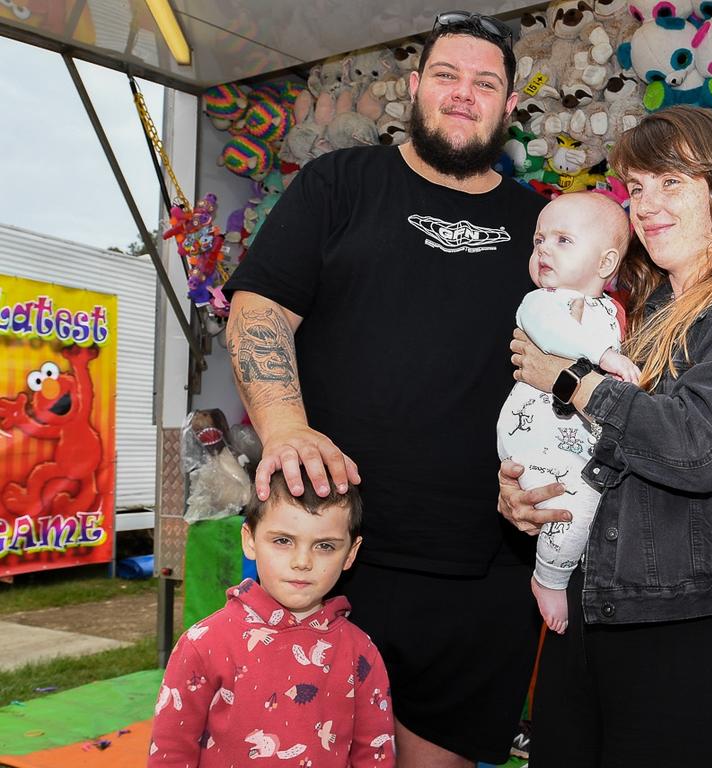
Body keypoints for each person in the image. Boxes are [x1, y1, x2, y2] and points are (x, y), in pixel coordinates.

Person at [223, 11, 545, 767]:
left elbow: (582, 364)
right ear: (414, 87)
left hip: (483, 568)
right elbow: (260, 306)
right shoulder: (340, 183)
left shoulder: (542, 227)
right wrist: (285, 430)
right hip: (331, 555)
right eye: (446, 75)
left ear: (509, 105)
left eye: (484, 83)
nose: (463, 95)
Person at [499, 105, 712, 767]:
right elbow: (604, 454)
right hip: (595, 605)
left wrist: (571, 381)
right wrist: (527, 497)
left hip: (694, 622)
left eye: (669, 182)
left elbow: (695, 449)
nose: (646, 205)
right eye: (637, 188)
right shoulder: (637, 311)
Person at [148, 469, 395, 767]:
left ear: (350, 553)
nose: (302, 562)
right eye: (283, 541)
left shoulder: (361, 652)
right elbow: (171, 752)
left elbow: (374, 753)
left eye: (325, 546)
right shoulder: (203, 644)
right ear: (249, 539)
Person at [497, 192, 636, 634]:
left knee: (598, 506)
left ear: (605, 262)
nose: (543, 250)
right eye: (539, 240)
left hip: (577, 437)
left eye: (562, 240)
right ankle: (550, 579)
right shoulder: (543, 302)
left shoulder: (613, 312)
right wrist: (603, 356)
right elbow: (552, 333)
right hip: (537, 434)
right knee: (576, 504)